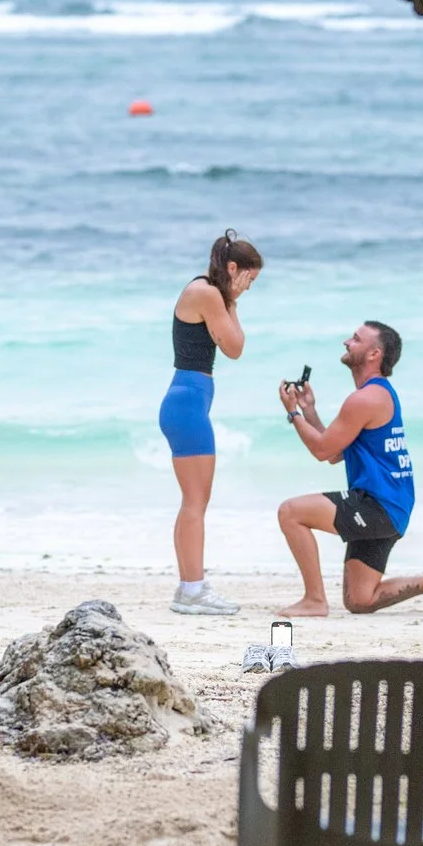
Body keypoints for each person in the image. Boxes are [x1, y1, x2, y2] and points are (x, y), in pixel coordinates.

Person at [274, 320, 423, 617]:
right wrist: (310, 412)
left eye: (355, 339)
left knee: (291, 512)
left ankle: (314, 599)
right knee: (359, 601)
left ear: (374, 353)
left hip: (378, 505)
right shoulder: (376, 395)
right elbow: (335, 453)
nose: (346, 342)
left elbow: (322, 450)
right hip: (391, 508)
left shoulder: (366, 399)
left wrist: (292, 413)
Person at [161, 230, 263, 614]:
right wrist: (232, 299)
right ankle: (191, 590)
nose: (247, 289)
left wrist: (231, 296)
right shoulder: (206, 292)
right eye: (248, 280)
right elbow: (235, 347)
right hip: (186, 405)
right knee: (195, 502)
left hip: (189, 403)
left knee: (195, 501)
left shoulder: (210, 293)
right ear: (233, 268)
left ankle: (189, 588)